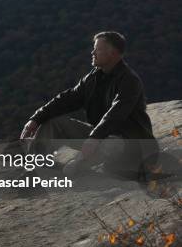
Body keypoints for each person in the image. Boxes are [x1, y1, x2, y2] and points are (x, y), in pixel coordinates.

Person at [20, 31, 157, 179]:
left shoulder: (129, 80)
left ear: (112, 53)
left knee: (82, 164)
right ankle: (34, 169)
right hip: (100, 137)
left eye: (97, 49)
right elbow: (68, 98)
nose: (92, 52)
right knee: (52, 123)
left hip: (127, 144)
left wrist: (94, 139)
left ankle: (82, 167)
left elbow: (115, 115)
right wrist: (36, 118)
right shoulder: (93, 77)